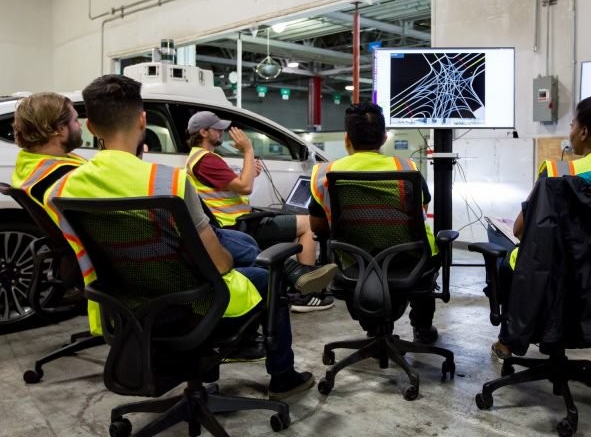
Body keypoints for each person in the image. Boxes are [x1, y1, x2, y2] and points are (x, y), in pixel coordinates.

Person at [44, 74, 336, 400]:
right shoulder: (168, 182)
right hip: (193, 304)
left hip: (123, 308)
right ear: (143, 120)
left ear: (91, 129)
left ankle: (210, 370)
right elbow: (219, 264)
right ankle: (283, 377)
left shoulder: (61, 190)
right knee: (265, 274)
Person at [491, 93, 591, 362]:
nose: (572, 131)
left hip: (556, 280)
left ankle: (508, 338)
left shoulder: (557, 172)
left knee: (503, 255)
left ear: (585, 131)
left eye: (573, 124)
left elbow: (520, 229)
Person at [308, 101, 440, 344]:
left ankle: (372, 324)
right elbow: (420, 215)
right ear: (383, 138)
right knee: (431, 255)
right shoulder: (407, 167)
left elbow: (317, 228)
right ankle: (422, 327)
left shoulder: (324, 173)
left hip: (354, 262)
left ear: (347, 139)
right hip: (409, 262)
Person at [185, 110, 334, 313]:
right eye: (217, 129)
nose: (222, 132)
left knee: (288, 220)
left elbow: (236, 185)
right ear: (203, 132)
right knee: (307, 224)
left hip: (236, 221)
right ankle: (305, 295)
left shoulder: (203, 158)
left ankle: (297, 280)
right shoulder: (206, 160)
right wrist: (247, 150)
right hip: (236, 225)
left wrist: (248, 170)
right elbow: (245, 187)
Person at [11, 92, 85, 205]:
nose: (80, 125)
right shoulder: (66, 176)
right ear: (59, 128)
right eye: (75, 120)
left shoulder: (27, 160)